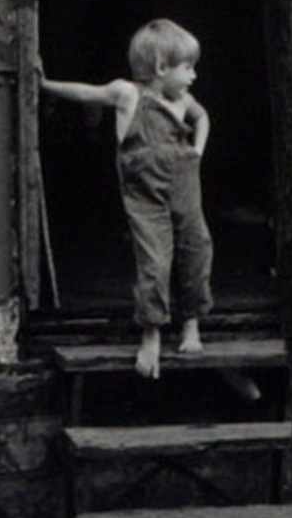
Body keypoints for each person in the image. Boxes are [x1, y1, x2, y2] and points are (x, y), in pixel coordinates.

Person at [42, 19, 213, 378]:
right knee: (155, 261)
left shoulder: (183, 100)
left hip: (185, 185)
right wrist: (44, 84)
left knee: (196, 249)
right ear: (162, 67)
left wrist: (197, 149)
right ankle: (151, 334)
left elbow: (203, 118)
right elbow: (86, 92)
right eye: (188, 68)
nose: (194, 75)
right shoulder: (127, 94)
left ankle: (191, 324)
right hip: (145, 197)